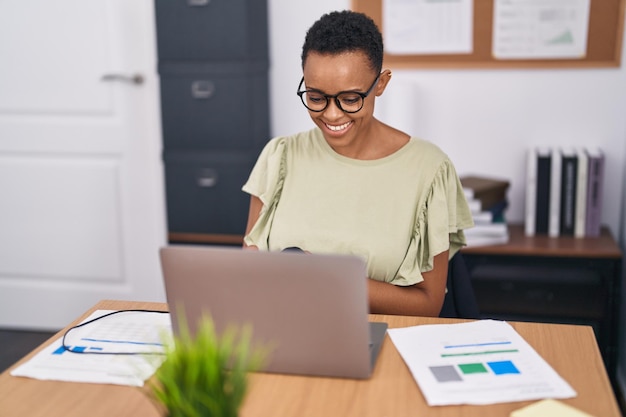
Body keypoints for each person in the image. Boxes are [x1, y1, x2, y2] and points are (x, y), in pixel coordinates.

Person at [242, 10, 474, 317]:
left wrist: (330, 279)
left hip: (382, 341)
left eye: (350, 99)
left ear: (380, 83)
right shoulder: (280, 156)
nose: (332, 114)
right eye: (315, 97)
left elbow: (428, 303)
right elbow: (247, 273)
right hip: (283, 332)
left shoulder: (430, 170)